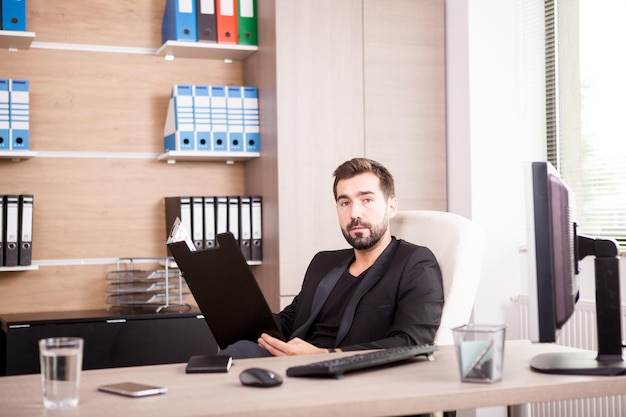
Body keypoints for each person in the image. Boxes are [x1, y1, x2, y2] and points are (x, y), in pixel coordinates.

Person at [220, 157, 444, 359]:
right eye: (344, 203)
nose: (355, 213)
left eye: (366, 200)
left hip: (350, 375)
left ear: (391, 206)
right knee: (235, 351)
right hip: (293, 365)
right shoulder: (324, 263)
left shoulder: (415, 263)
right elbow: (289, 322)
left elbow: (412, 342)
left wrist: (324, 355)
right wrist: (236, 314)